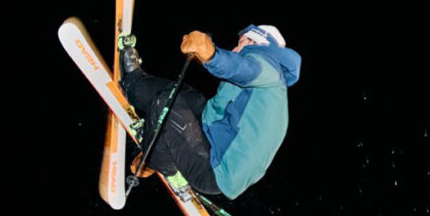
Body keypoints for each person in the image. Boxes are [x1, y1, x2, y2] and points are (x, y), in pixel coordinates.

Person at [116, 24, 301, 199]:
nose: (236, 48)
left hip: (214, 170)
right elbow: (218, 107)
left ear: (256, 42)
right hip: (211, 138)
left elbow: (238, 67)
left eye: (241, 42)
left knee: (166, 104)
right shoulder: (270, 85)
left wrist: (210, 53)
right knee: (184, 94)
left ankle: (161, 161)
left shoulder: (266, 68)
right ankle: (134, 82)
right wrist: (203, 55)